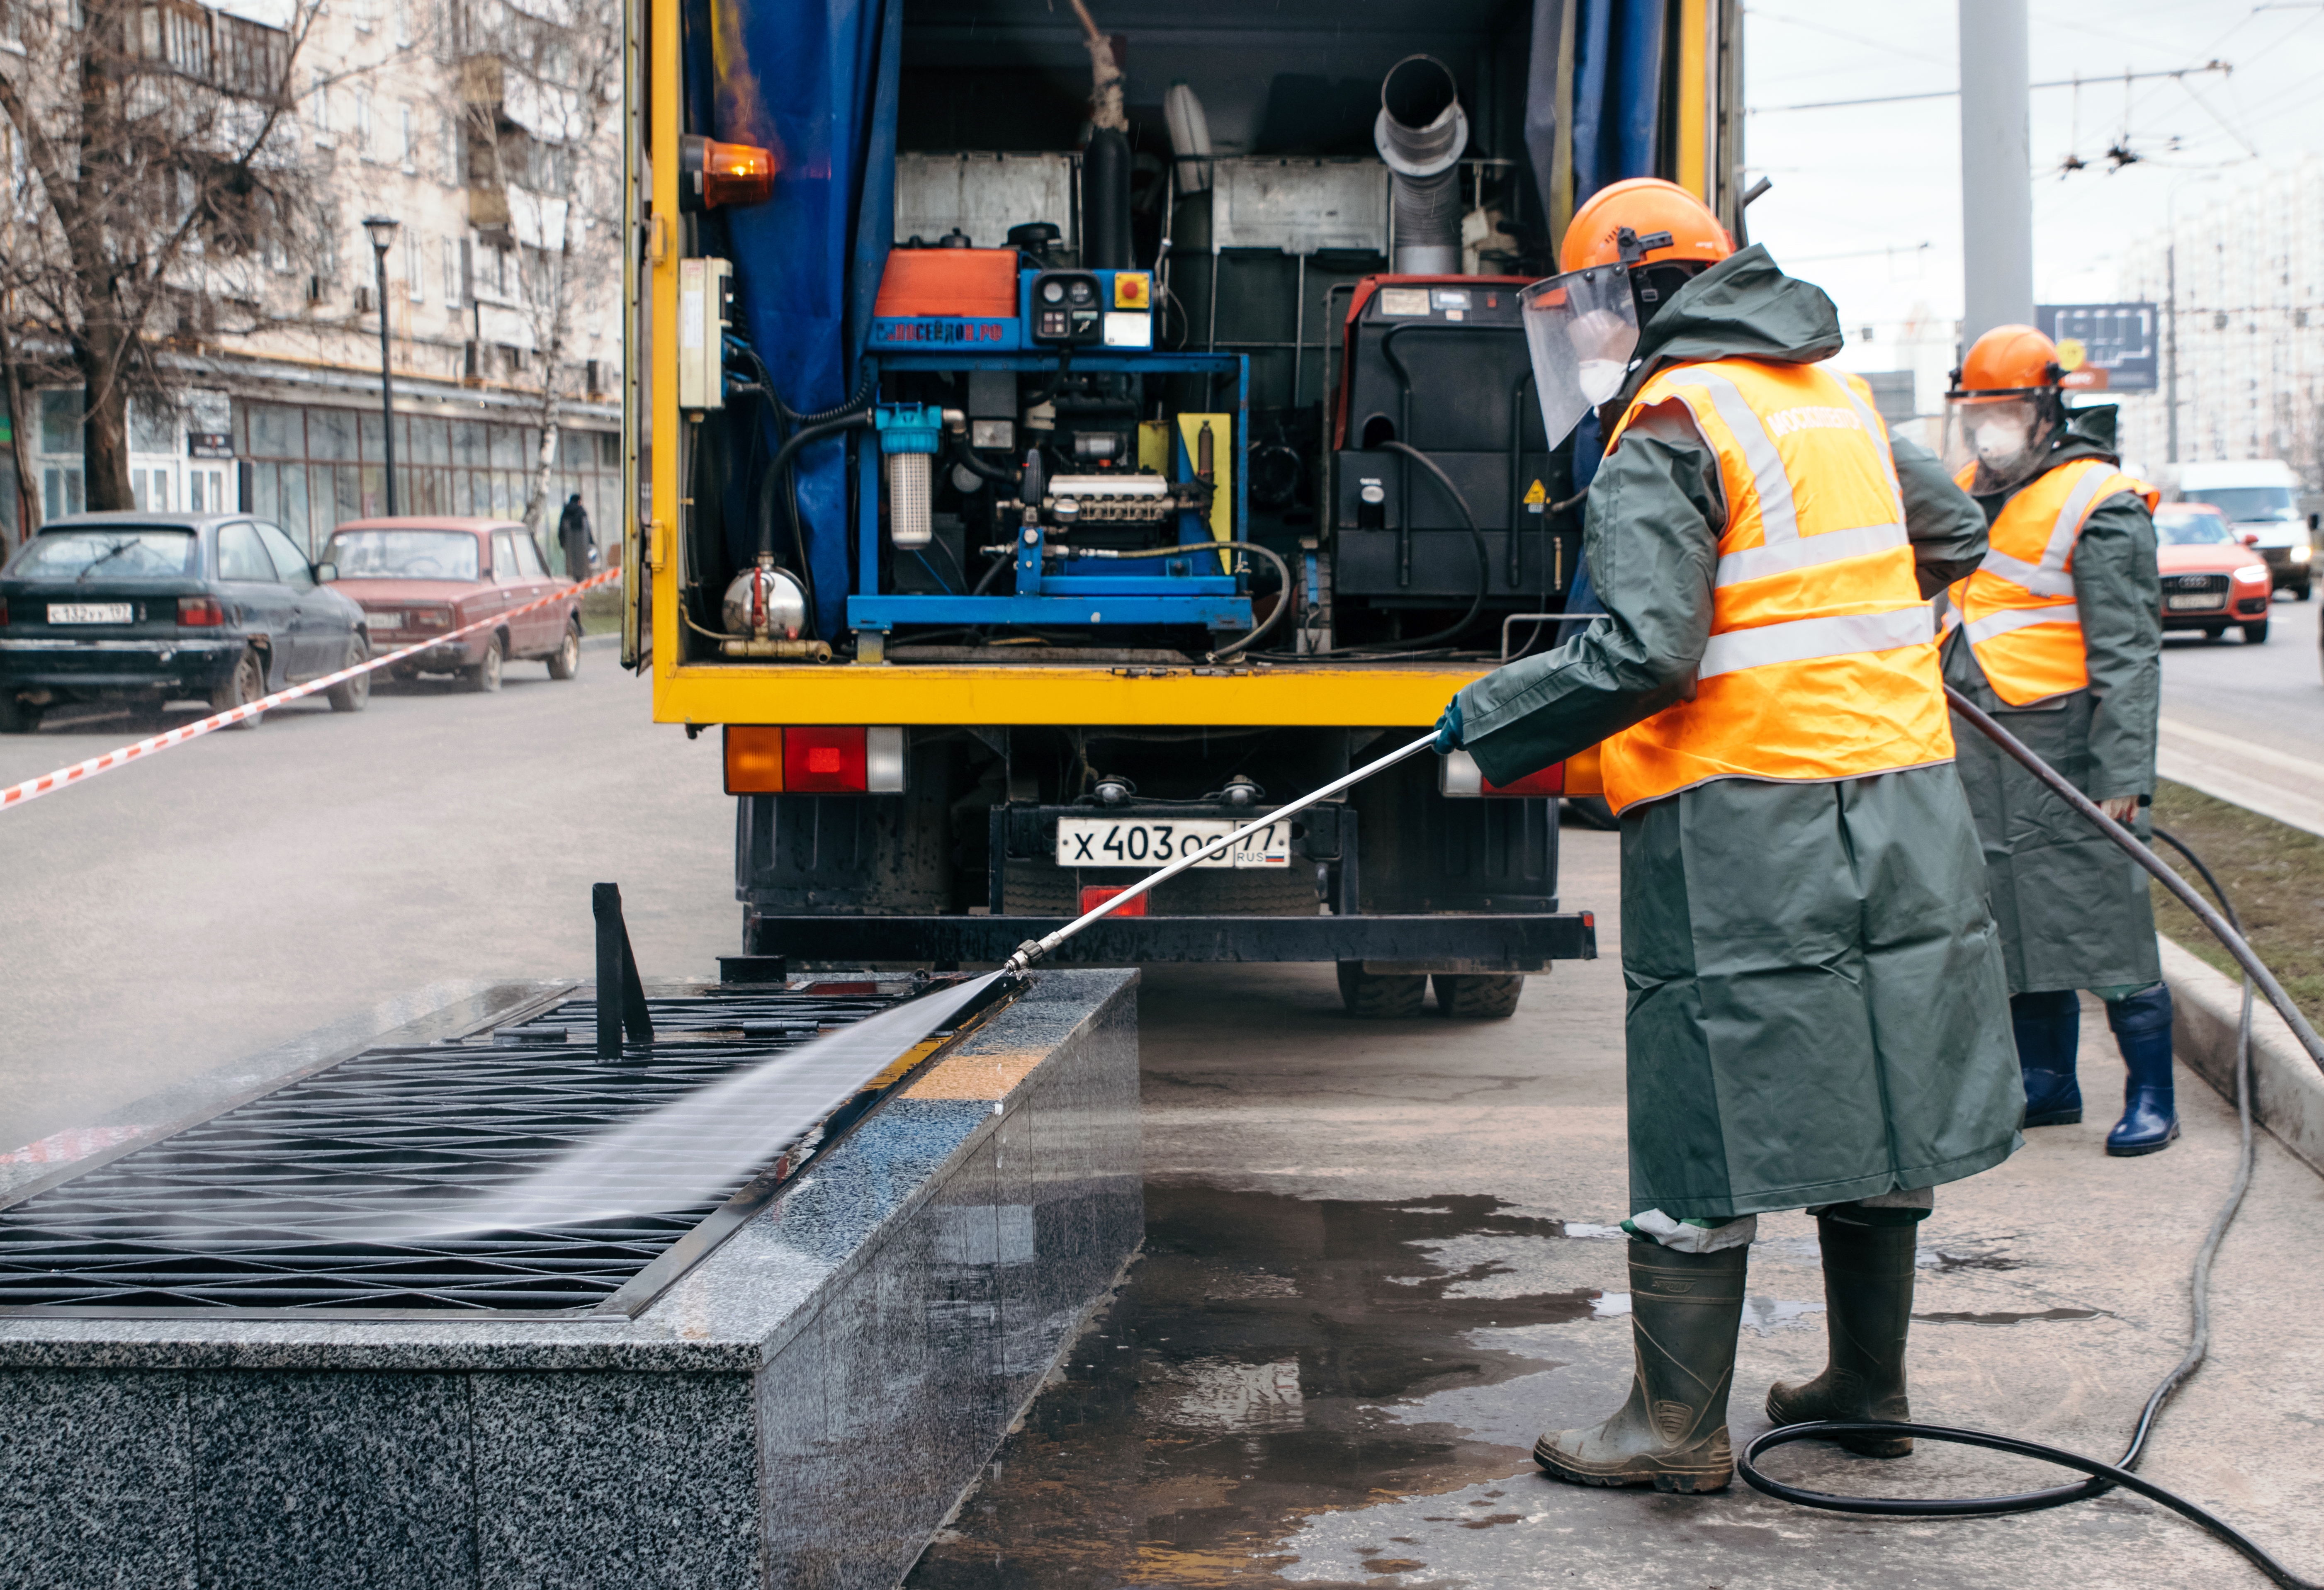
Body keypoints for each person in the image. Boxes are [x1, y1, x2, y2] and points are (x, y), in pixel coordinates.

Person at [1435, 177, 2021, 1492]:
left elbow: (1643, 649)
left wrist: (1486, 716)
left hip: (1743, 810)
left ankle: (1672, 1427)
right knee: (1877, 1078)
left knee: (1708, 1094)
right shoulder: (1831, 397)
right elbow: (1951, 530)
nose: (1587, 338)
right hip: (1901, 797)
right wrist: (1846, 646)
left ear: (1643, 288)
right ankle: (1865, 1390)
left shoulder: (1673, 417)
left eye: (1592, 305)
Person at [1938, 326, 2171, 1155]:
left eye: (2004, 409)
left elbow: (2129, 652)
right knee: (2012, 915)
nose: (1987, 426)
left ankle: (2153, 1095)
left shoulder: (2096, 496)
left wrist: (2125, 775)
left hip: (2066, 745)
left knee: (2102, 913)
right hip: (1983, 739)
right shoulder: (1966, 487)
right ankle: (2050, 1085)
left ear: (2047, 409)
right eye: (1977, 410)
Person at [557, 492, 596, 582]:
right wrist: (591, 541)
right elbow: (587, 528)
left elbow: (561, 528)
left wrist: (562, 541)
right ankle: (580, 580)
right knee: (581, 560)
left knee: (571, 560)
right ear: (579, 501)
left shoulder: (566, 512)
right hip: (581, 541)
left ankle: (572, 579)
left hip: (569, 541)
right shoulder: (582, 511)